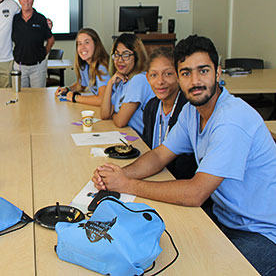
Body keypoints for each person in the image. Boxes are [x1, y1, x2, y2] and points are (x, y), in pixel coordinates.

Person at [92, 35, 276, 275]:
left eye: (203, 70)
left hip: (262, 233)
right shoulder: (192, 111)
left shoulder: (231, 120)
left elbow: (196, 193)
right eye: (186, 73)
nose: (195, 80)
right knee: (153, 251)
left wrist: (128, 184)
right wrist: (115, 176)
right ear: (179, 77)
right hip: (224, 219)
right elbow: (160, 155)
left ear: (218, 73)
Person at [142, 47, 197, 179]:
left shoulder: (189, 109)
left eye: (168, 74)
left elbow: (187, 168)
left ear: (178, 76)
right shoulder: (151, 106)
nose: (160, 81)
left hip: (178, 182)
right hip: (153, 175)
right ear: (147, 78)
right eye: (154, 75)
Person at [100, 33, 154, 136]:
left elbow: (120, 122)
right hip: (127, 135)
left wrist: (114, 115)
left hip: (141, 142)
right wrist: (110, 83)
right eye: (117, 55)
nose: (120, 60)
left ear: (137, 57)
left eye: (126, 55)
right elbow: (104, 114)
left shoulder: (139, 79)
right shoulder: (123, 81)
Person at [12, 0, 55, 87]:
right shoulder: (15, 20)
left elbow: (51, 40)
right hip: (19, 66)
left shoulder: (40, 18)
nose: (26, 0)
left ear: (33, 0)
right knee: (21, 99)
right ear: (19, 0)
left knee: (39, 98)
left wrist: (44, 53)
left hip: (38, 67)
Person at [54, 28, 110, 106]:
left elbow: (102, 100)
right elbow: (81, 85)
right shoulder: (85, 65)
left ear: (96, 45)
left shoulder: (101, 67)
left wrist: (75, 98)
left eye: (87, 42)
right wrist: (67, 89)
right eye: (79, 43)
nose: (82, 47)